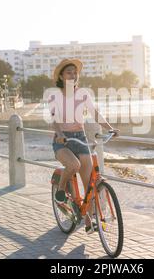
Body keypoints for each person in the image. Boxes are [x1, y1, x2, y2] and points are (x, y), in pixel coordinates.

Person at [48, 59, 119, 234]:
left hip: (80, 138)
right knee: (74, 165)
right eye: (69, 72)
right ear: (62, 77)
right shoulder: (54, 96)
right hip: (62, 141)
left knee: (89, 187)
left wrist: (110, 128)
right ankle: (62, 189)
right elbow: (55, 121)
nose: (73, 75)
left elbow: (95, 113)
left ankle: (87, 220)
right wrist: (61, 134)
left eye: (75, 72)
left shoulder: (83, 94)